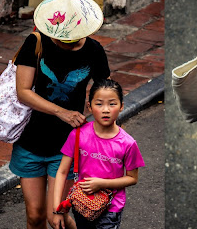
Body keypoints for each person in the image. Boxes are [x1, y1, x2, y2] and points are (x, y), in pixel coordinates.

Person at [12, 0, 111, 229]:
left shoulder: (94, 51)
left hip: (67, 145)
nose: (67, 43)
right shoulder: (35, 42)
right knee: (34, 216)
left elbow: (104, 88)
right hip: (30, 141)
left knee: (56, 216)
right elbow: (23, 91)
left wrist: (98, 103)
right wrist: (60, 111)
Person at [52, 79, 145, 229]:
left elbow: (132, 178)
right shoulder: (77, 135)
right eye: (99, 104)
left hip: (111, 208)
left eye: (112, 104)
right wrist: (57, 209)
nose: (106, 110)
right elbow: (62, 172)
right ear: (89, 106)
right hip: (82, 203)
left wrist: (101, 183)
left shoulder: (128, 143)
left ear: (121, 106)